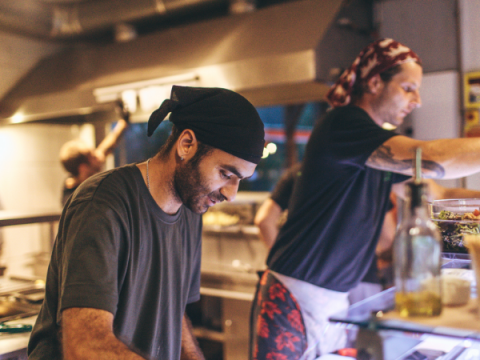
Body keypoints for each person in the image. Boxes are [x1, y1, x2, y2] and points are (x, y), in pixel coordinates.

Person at [249, 38, 480, 360]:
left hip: (335, 296)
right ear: (374, 82)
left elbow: (437, 194)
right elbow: (428, 157)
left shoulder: (375, 152)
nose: (418, 100)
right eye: (409, 88)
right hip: (295, 292)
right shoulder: (343, 124)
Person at [28, 86, 265, 360]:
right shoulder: (102, 204)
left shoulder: (191, 210)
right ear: (187, 144)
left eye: (240, 181)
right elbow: (85, 347)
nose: (231, 194)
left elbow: (173, 311)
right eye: (226, 173)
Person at [59, 103, 130, 206]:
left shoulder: (85, 173)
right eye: (93, 156)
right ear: (83, 168)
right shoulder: (75, 201)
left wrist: (123, 122)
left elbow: (107, 146)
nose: (98, 154)